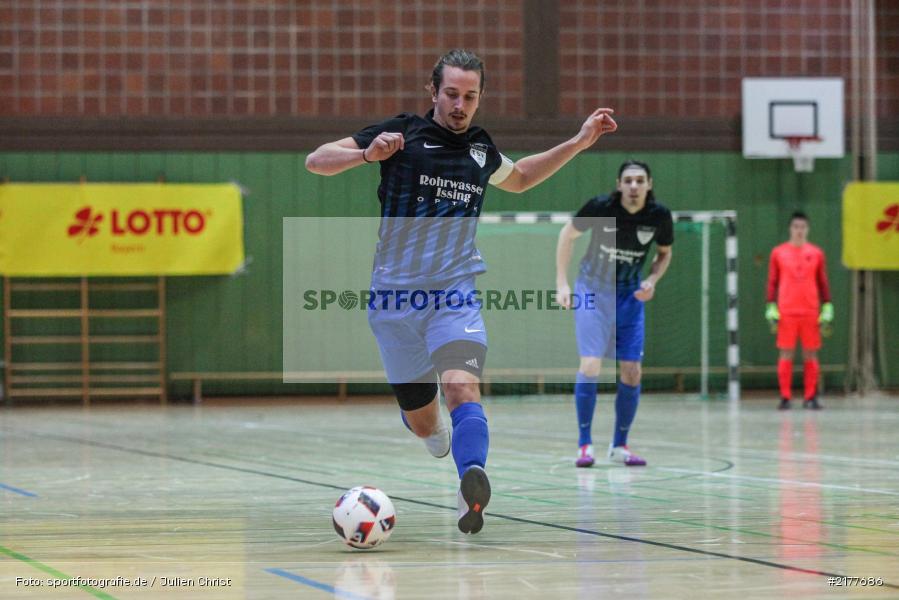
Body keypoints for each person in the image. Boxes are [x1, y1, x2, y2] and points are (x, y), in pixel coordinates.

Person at [305, 49, 617, 533]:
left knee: (461, 385)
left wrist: (578, 141)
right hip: (393, 302)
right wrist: (367, 154)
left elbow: (524, 177)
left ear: (479, 98)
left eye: (470, 96)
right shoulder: (402, 133)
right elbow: (316, 161)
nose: (459, 105)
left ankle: (470, 481)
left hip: (454, 295)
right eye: (451, 94)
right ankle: (435, 435)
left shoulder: (480, 149)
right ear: (433, 91)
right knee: (426, 424)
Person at [555, 160, 673, 468]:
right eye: (628, 180)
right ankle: (585, 445)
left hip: (630, 294)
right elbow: (567, 235)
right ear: (619, 184)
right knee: (591, 364)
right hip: (593, 289)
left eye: (640, 180)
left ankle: (620, 445)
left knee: (632, 371)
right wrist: (562, 283)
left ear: (649, 184)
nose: (634, 186)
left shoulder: (659, 216)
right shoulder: (600, 207)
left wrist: (652, 280)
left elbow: (664, 253)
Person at [766, 211, 833, 410]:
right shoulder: (778, 253)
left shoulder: (816, 253)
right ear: (790, 228)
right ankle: (785, 397)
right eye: (796, 227)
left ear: (807, 229)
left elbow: (823, 281)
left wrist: (827, 305)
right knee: (786, 353)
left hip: (810, 311)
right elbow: (772, 281)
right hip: (786, 311)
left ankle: (810, 397)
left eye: (802, 227)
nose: (799, 231)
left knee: (810, 355)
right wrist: (771, 306)